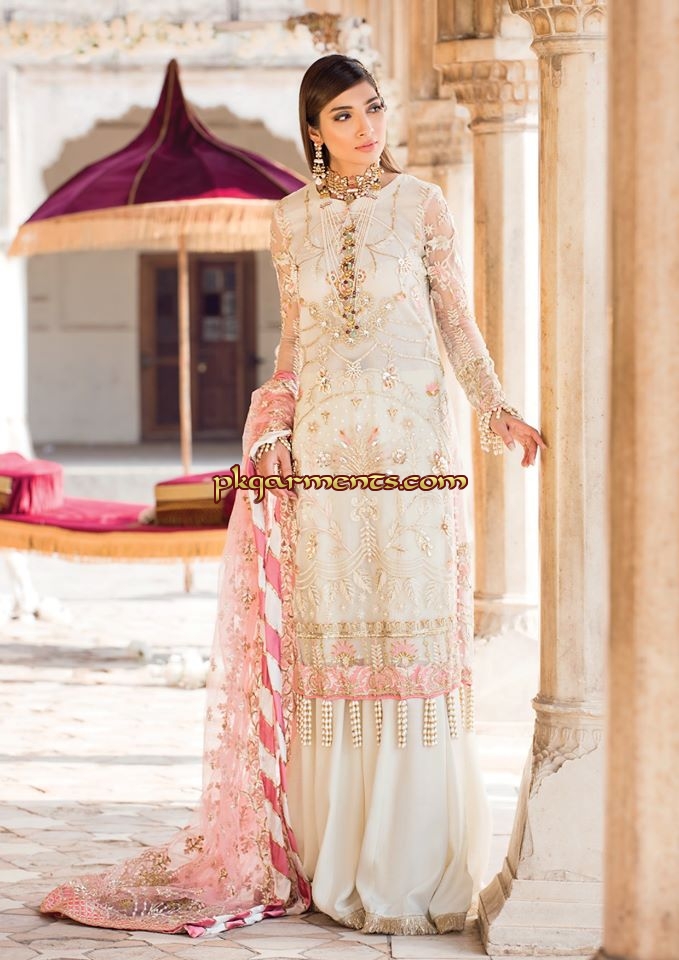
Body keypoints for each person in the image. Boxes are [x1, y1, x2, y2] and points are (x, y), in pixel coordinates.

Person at [38, 54, 545, 940]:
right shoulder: (290, 220)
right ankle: (333, 861)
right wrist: (273, 428)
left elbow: (454, 321)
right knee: (335, 646)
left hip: (411, 455)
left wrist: (496, 408)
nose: (366, 127)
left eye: (372, 108)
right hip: (324, 458)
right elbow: (295, 343)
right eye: (343, 115)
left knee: (408, 642)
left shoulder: (421, 204)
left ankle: (408, 868)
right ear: (314, 130)